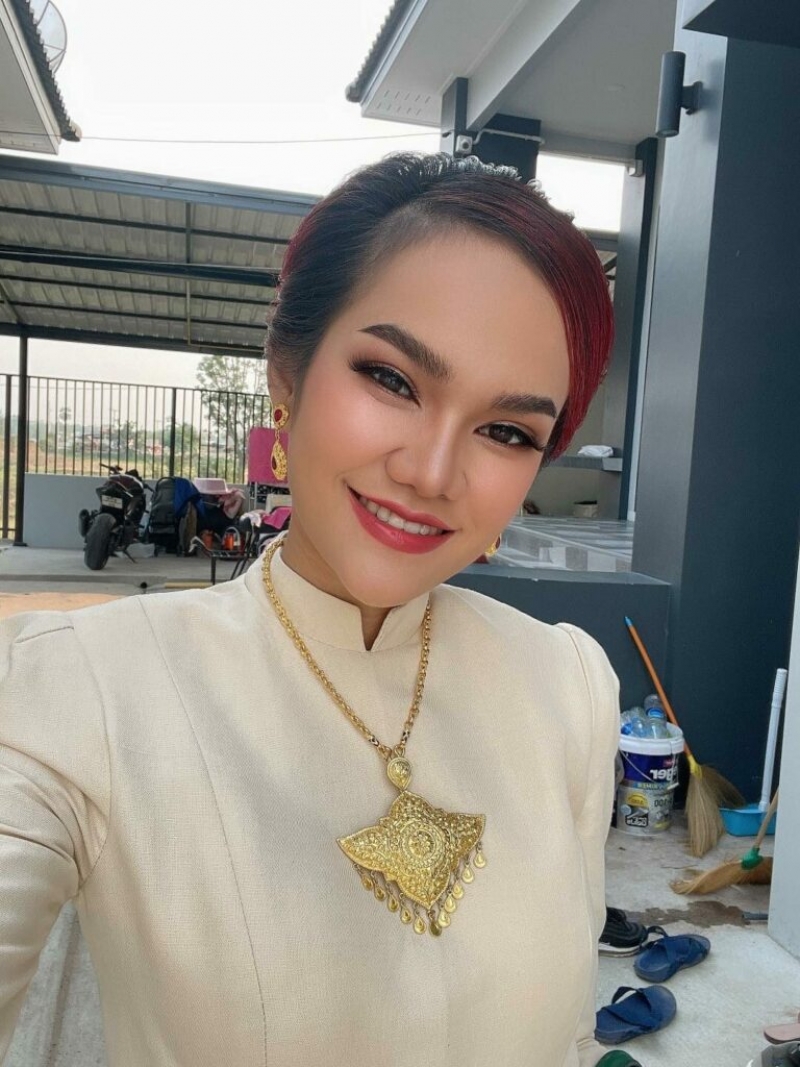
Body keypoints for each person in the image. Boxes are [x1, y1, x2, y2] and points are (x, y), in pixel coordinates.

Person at [0, 153, 620, 1067]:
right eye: (393, 379)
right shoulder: (79, 688)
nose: (432, 472)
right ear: (285, 375)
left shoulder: (566, 684)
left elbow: (570, 1035)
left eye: (506, 430)